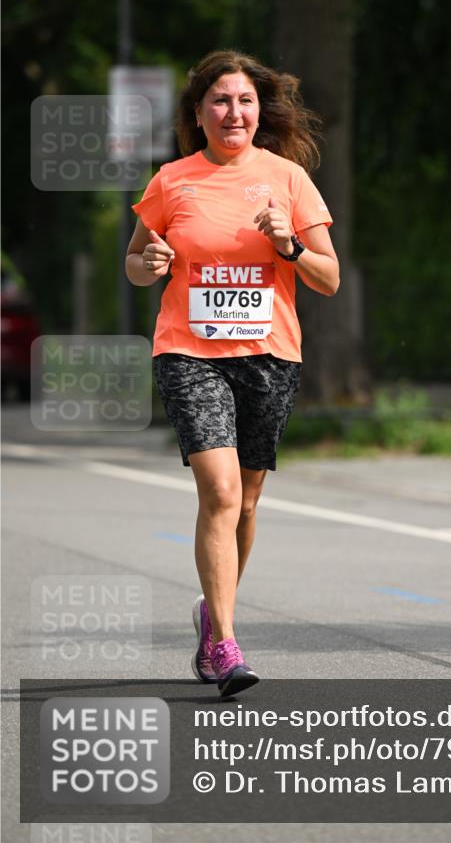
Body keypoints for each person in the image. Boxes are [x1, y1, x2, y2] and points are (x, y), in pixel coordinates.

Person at [125, 50, 339, 697]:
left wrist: (289, 245)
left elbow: (327, 278)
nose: (233, 112)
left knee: (245, 501)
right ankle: (224, 643)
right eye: (219, 101)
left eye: (244, 101)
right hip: (188, 351)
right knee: (218, 493)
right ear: (199, 114)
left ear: (259, 111)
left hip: (268, 355)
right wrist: (152, 260)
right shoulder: (171, 181)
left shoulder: (288, 179)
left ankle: (210, 613)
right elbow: (135, 264)